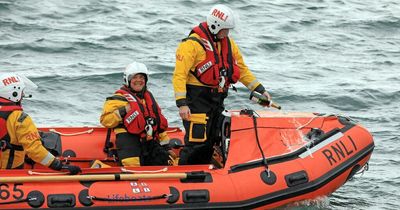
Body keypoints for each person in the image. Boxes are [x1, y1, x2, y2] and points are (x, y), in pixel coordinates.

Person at [172, 4, 274, 165]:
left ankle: (206, 173)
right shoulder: (191, 45)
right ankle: (185, 174)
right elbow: (179, 76)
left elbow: (241, 70)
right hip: (197, 102)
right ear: (215, 26)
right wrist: (182, 104)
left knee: (213, 139)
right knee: (196, 143)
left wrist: (260, 89)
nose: (227, 33)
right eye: (225, 29)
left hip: (216, 100)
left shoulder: (229, 44)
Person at [0, 73, 81, 174]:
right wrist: (59, 165)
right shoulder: (20, 118)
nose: (23, 95)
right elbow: (34, 149)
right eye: (22, 92)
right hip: (9, 173)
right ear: (14, 93)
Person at [100, 62, 170, 167]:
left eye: (141, 77)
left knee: (163, 161)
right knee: (132, 166)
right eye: (134, 77)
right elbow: (105, 120)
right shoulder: (118, 98)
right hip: (128, 139)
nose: (138, 80)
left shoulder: (148, 99)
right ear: (128, 80)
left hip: (148, 140)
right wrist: (123, 111)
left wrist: (166, 146)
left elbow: (156, 123)